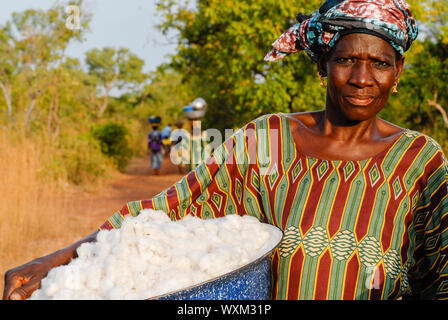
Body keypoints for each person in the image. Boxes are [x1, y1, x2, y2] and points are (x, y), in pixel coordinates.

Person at [4, 0, 448, 300]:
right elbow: (165, 213)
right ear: (322, 65)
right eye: (347, 60)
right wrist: (58, 259)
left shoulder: (420, 161)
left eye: (380, 63)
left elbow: (439, 276)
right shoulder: (270, 137)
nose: (362, 78)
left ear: (399, 70)